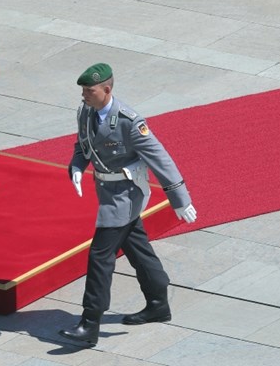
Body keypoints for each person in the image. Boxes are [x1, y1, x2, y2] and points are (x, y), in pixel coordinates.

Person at [59, 63, 198, 346]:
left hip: (125, 194)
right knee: (137, 246)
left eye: (89, 90)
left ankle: (90, 324)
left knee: (100, 256)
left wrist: (179, 198)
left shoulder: (129, 122)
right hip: (106, 191)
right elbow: (82, 145)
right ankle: (158, 302)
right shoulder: (85, 112)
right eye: (84, 90)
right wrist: (76, 165)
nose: (84, 94)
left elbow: (161, 159)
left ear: (106, 90)